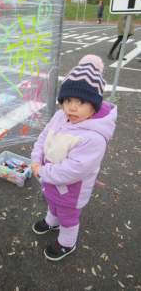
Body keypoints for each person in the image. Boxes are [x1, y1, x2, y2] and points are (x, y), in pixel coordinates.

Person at [31, 55, 117, 261]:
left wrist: (43, 171)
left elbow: (74, 169)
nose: (72, 107)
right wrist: (36, 159)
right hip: (51, 180)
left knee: (68, 217)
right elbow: (44, 136)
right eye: (68, 100)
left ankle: (67, 243)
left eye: (81, 102)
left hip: (72, 190)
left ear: (94, 107)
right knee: (52, 204)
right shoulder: (61, 116)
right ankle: (52, 221)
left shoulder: (93, 137)